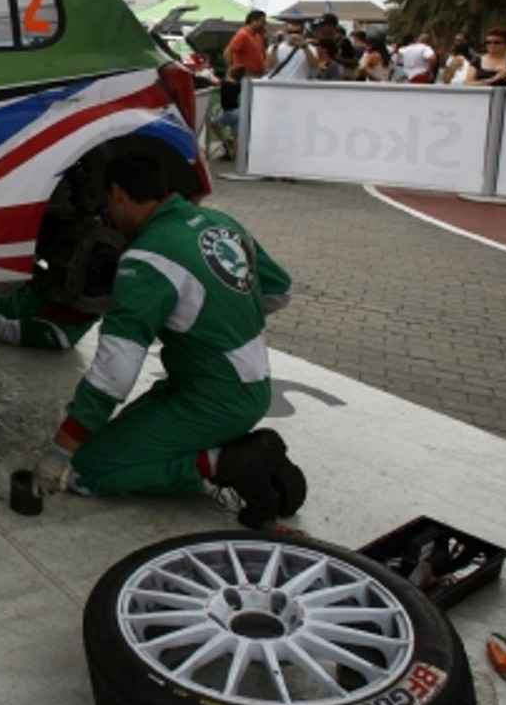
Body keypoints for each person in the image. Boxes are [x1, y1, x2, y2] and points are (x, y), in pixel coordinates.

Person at [28, 152, 305, 529]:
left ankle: (225, 462)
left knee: (88, 471)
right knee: (126, 440)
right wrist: (217, 318)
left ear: (119, 193)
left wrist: (58, 454)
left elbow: (114, 375)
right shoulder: (221, 223)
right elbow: (279, 291)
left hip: (212, 399)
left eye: (109, 202)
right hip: (243, 386)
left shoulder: (146, 259)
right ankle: (247, 456)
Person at [225, 9, 268, 78]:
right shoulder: (243, 34)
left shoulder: (258, 36)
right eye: (262, 22)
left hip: (258, 74)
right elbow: (228, 51)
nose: (264, 24)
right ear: (254, 21)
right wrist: (232, 69)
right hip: (246, 76)